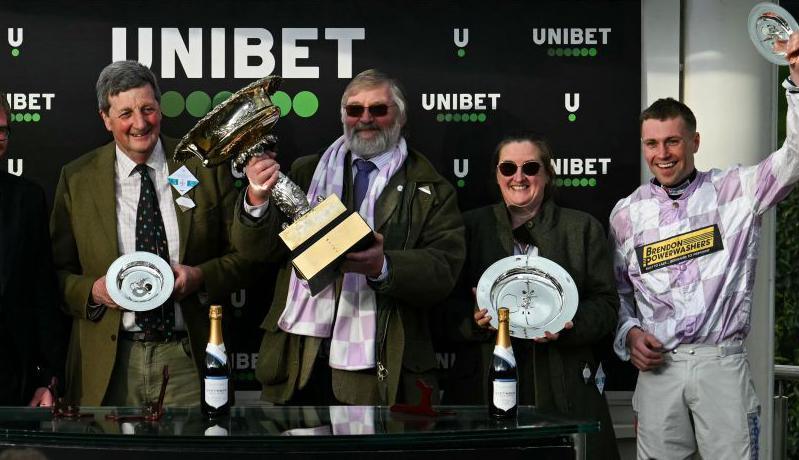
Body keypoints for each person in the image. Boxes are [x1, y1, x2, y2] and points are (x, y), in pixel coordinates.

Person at [610, 31, 799, 460]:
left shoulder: (736, 190)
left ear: (694, 142)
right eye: (652, 143)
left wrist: (797, 81)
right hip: (659, 372)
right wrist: (628, 333)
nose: (662, 153)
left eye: (673, 141)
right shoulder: (626, 213)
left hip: (720, 363)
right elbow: (617, 293)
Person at [232, 69, 465, 405]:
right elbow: (258, 251)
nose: (365, 119)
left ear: (400, 116)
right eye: (355, 110)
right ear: (343, 116)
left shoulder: (430, 188)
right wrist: (257, 197)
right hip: (299, 364)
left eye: (378, 110)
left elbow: (444, 269)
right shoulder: (305, 172)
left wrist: (384, 266)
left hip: (377, 370)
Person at [50, 61, 254, 407]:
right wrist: (93, 292)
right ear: (106, 118)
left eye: (148, 109)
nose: (140, 123)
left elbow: (245, 256)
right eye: (126, 113)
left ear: (160, 108)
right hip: (110, 364)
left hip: (188, 359)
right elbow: (53, 273)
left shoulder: (202, 167)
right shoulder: (77, 179)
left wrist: (199, 276)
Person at [451, 134, 618, 458]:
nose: (519, 177)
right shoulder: (469, 228)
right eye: (508, 167)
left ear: (547, 174)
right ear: (496, 175)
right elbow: (440, 307)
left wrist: (571, 323)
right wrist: (472, 320)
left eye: (530, 167)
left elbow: (607, 305)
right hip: (486, 384)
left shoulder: (581, 228)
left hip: (563, 385)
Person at [0, 93, 67, 406]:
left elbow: (43, 294)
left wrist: (47, 378)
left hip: (13, 384)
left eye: (2, 130)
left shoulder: (26, 199)